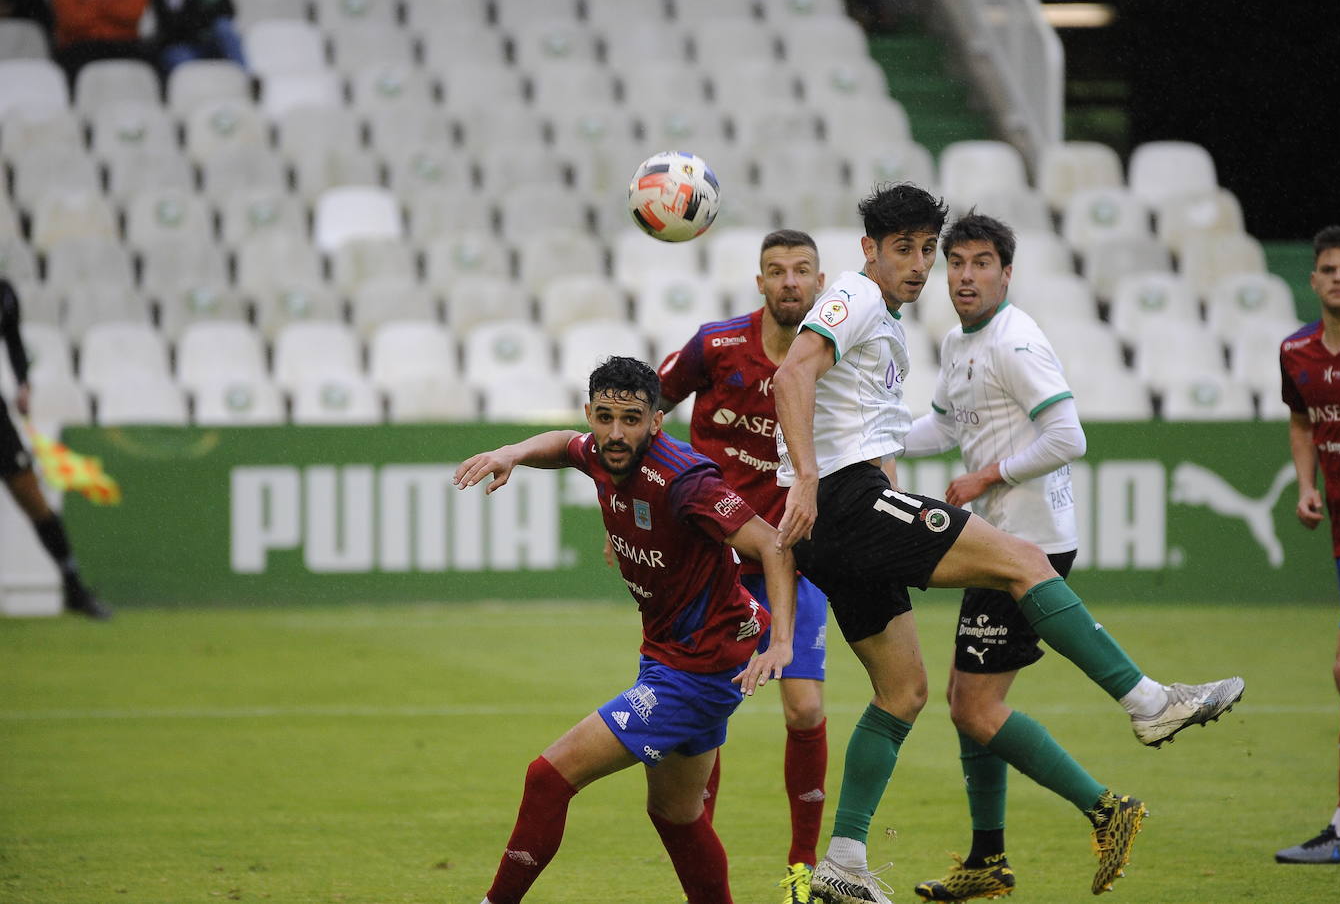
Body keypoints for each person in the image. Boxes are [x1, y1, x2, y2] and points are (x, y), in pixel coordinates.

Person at [769, 184, 1246, 904]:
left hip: (838, 524)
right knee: (1022, 562)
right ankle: (1148, 702)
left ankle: (843, 861)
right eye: (908, 249)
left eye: (930, 249)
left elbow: (880, 423)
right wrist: (805, 479)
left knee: (903, 696)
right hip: (846, 503)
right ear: (869, 250)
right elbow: (790, 371)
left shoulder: (891, 322)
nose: (924, 265)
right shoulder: (857, 295)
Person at [454, 356, 798, 904]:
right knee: (676, 814)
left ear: (656, 420)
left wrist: (783, 641)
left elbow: (772, 544)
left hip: (699, 666)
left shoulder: (685, 480)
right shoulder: (600, 450)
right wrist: (511, 453)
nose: (616, 434)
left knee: (548, 777)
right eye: (605, 417)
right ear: (591, 412)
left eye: (632, 419)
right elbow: (567, 445)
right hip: (674, 654)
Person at [901, 211, 1152, 901]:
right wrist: (876, 435)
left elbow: (1068, 436)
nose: (965, 276)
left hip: (1028, 542)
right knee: (965, 701)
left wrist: (988, 475)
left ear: (1006, 273)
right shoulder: (958, 341)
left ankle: (1109, 810)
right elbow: (944, 424)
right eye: (957, 264)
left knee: (977, 710)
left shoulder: (1016, 341)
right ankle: (988, 861)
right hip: (1001, 537)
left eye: (981, 263)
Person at [657, 229, 830, 903]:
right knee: (705, 715)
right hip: (711, 564)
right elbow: (648, 410)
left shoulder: (833, 358)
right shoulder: (716, 344)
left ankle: (803, 867)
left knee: (805, 708)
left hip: (792, 555)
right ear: (759, 282)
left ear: (820, 281)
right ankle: (707, 857)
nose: (789, 281)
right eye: (776, 271)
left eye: (802, 271)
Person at [1275, 225, 1340, 865]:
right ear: (1312, 281)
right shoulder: (1296, 351)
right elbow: (1302, 419)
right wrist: (1306, 486)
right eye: (1328, 269)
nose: (1339, 277)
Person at [1, 279, 110, 620]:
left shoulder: (4, 294)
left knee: (31, 496)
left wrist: (22, 382)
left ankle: (74, 587)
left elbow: (13, 342)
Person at [50, 0, 151, 90]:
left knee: (149, 67)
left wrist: (90, 7)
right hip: (79, 45)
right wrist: (112, 6)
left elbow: (132, 13)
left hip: (124, 45)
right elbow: (71, 18)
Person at [149, 0, 245, 76]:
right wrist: (202, 15)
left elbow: (228, 11)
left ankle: (247, 76)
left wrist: (199, 16)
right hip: (180, 45)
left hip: (208, 42)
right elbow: (170, 25)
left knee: (223, 27)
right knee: (181, 57)